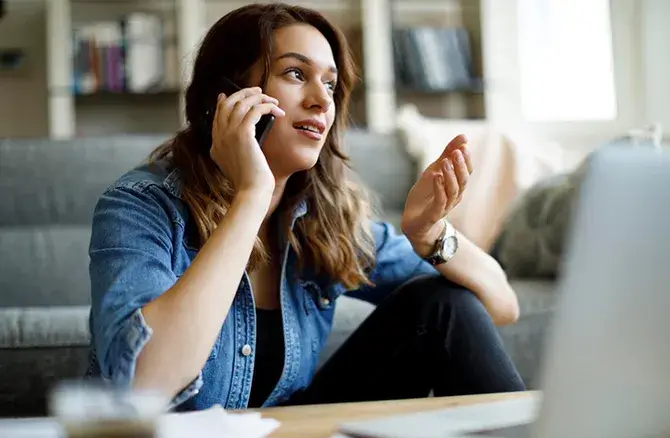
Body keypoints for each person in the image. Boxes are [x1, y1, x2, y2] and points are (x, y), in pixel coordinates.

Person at [85, 2, 525, 411]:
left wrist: (430, 236)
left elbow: (498, 307)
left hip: (290, 436)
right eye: (296, 74)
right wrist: (250, 197)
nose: (322, 99)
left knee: (440, 302)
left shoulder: (322, 219)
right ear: (229, 94)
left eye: (330, 83)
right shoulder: (140, 205)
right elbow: (145, 385)